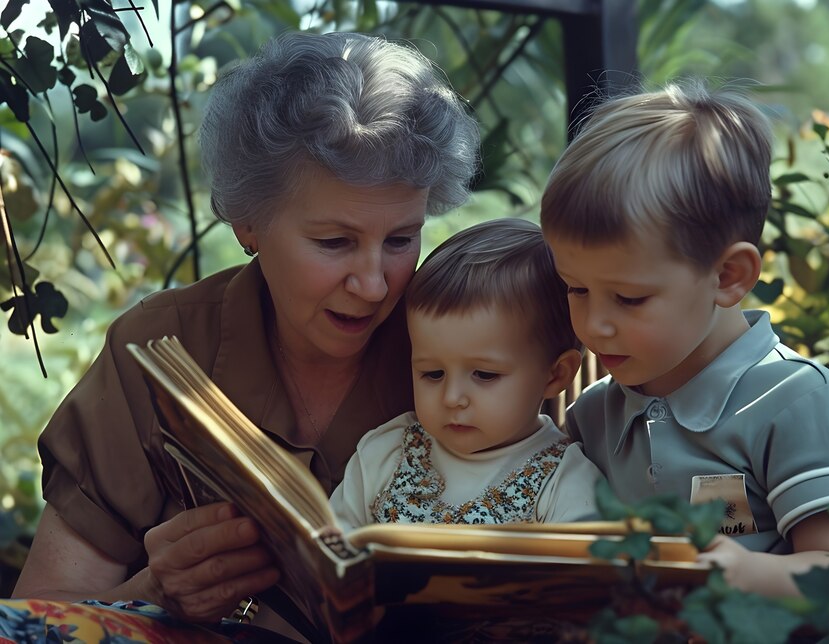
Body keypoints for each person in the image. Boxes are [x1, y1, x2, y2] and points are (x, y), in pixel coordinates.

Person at [12, 30, 479, 639]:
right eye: (334, 242)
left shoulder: (473, 343)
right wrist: (154, 594)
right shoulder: (158, 349)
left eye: (400, 239)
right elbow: (37, 619)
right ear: (248, 222)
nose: (373, 284)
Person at [539, 80, 829, 598]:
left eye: (629, 299)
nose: (594, 325)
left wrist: (742, 577)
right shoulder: (593, 415)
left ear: (728, 276)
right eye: (576, 289)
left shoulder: (794, 401)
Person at [330, 218, 602, 533]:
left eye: (484, 374)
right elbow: (329, 555)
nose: (451, 398)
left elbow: (583, 578)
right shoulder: (385, 454)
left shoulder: (566, 483)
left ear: (555, 375)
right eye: (432, 373)